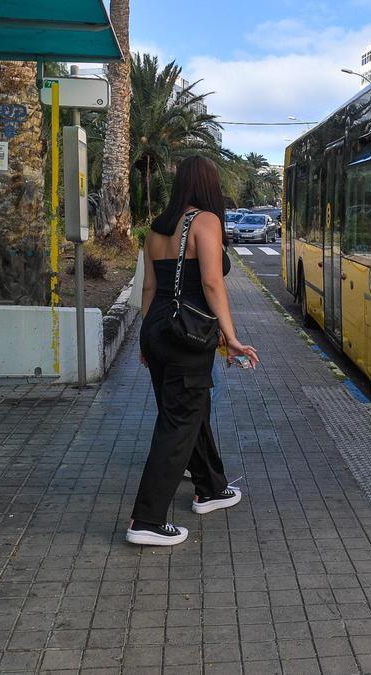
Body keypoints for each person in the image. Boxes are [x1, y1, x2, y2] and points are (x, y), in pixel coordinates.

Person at [127, 157, 259, 546]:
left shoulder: (156, 229)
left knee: (190, 411)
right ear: (208, 186)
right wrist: (230, 336)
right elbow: (211, 283)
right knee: (178, 422)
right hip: (187, 333)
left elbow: (149, 289)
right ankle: (146, 521)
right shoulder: (205, 221)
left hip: (157, 330)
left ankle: (211, 488)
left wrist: (144, 340)